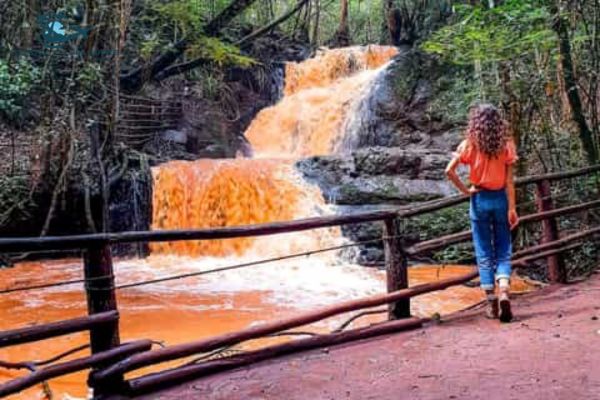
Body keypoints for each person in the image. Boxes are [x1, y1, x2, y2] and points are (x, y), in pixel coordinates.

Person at [445, 104, 519, 323]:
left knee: (484, 250)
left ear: (476, 123)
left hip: (479, 199)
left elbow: (449, 170)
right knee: (504, 247)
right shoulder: (506, 144)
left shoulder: (469, 144)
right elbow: (509, 182)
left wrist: (466, 191)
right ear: (498, 123)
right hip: (500, 199)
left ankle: (491, 302)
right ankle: (504, 289)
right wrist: (512, 208)